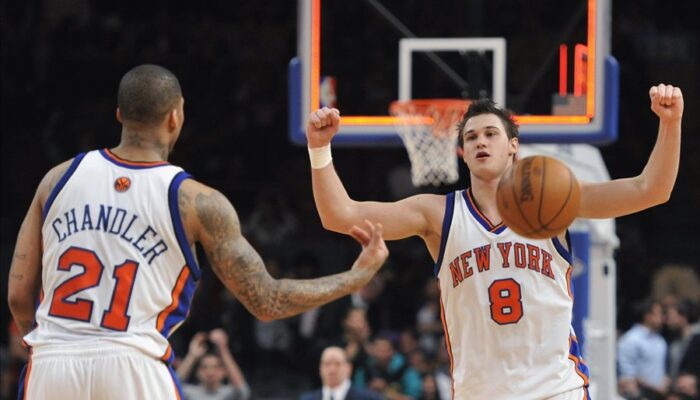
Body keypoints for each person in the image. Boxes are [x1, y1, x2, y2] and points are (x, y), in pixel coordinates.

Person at [7, 64, 389, 400]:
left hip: (52, 361)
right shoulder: (196, 201)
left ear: (120, 114)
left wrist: (54, 348)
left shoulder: (56, 180)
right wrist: (356, 277)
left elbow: (19, 297)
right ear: (175, 117)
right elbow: (267, 301)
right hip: (132, 362)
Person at [305, 83, 684, 399]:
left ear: (513, 145)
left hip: (557, 390)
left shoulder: (555, 199)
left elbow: (650, 190)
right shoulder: (437, 213)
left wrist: (671, 122)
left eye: (490, 134)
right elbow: (340, 215)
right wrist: (319, 149)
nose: (480, 142)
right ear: (462, 152)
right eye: (471, 137)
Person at [176, 329, 250, 400]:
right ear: (198, 372)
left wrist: (223, 350)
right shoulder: (189, 393)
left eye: (215, 367)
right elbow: (172, 386)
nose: (210, 372)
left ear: (224, 371)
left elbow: (242, 390)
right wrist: (192, 355)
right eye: (204, 367)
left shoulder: (229, 394)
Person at [617, 299, 669, 398]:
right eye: (659, 314)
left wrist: (664, 381)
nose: (663, 317)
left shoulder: (660, 340)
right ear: (648, 316)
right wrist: (654, 388)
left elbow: (661, 368)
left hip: (660, 395)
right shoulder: (630, 339)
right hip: (639, 395)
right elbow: (628, 374)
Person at [299, 346, 382, 400]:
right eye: (327, 364)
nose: (332, 370)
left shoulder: (369, 398)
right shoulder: (307, 399)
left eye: (337, 364)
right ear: (320, 369)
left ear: (349, 368)